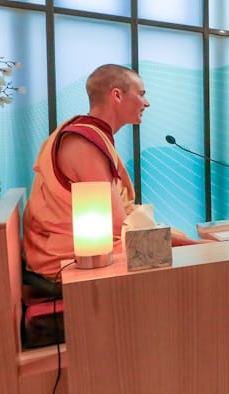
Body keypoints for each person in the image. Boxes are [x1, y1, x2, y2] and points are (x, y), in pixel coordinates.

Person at [23, 64, 205, 288]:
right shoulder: (84, 142)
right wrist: (197, 246)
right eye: (141, 94)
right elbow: (119, 227)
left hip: (90, 245)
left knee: (184, 243)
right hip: (74, 256)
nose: (146, 103)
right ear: (117, 95)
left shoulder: (93, 135)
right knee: (195, 263)